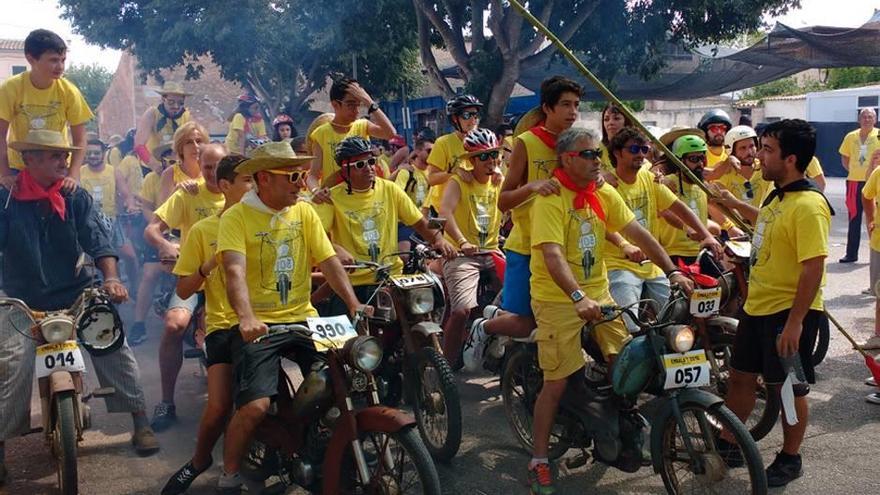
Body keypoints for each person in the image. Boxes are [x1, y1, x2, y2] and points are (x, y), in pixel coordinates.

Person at [526, 127, 693, 494]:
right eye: (588, 154)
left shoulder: (602, 191)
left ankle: (615, 423)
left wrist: (673, 270)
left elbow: (638, 232)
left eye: (598, 153)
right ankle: (539, 459)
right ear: (567, 159)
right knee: (555, 384)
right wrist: (576, 298)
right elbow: (552, 255)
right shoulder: (551, 198)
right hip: (558, 300)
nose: (596, 160)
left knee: (626, 363)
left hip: (599, 294)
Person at [0, 130, 160, 485]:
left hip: (77, 292)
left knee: (112, 344)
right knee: (10, 364)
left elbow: (98, 241)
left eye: (64, 155)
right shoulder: (5, 198)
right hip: (19, 299)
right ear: (30, 160)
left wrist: (112, 280)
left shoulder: (75, 197)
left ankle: (140, 420)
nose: (64, 162)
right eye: (54, 156)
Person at [214, 141, 367, 494]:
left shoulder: (305, 212)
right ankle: (230, 472)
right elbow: (234, 272)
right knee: (255, 405)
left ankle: (321, 443)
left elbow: (328, 261)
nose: (302, 183)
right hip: (260, 326)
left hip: (305, 318)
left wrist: (354, 303)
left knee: (346, 378)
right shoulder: (236, 217)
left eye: (302, 175)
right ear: (263, 178)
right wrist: (247, 317)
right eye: (294, 176)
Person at [713, 119, 831, 487]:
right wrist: (732, 204)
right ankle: (731, 443)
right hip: (757, 307)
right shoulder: (778, 196)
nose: (759, 156)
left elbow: (813, 268)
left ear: (791, 159)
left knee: (788, 388)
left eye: (767, 150)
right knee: (740, 377)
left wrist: (795, 322)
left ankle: (790, 457)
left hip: (787, 312)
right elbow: (765, 222)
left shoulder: (809, 206)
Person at [468, 76, 581, 368]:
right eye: (565, 105)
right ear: (547, 108)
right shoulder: (526, 143)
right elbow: (503, 200)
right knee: (524, 323)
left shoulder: (578, 144)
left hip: (566, 247)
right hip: (528, 246)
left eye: (576, 105)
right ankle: (485, 327)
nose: (573, 112)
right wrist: (532, 187)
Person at [161, 154, 253, 494]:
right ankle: (200, 460)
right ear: (226, 186)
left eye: (256, 180)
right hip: (225, 325)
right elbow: (183, 288)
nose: (255, 187)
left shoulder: (273, 220)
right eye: (247, 181)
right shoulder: (203, 230)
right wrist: (207, 266)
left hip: (270, 321)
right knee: (218, 406)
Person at [313, 136, 455, 316]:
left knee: (418, 321)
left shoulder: (390, 189)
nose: (369, 168)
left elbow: (419, 222)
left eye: (371, 161)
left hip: (392, 277)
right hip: (352, 282)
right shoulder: (330, 197)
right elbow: (317, 237)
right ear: (345, 170)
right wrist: (335, 248)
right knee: (351, 342)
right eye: (359, 165)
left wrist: (439, 240)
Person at [144, 143, 226, 431]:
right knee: (174, 325)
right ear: (199, 167)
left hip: (228, 279)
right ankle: (166, 400)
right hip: (193, 275)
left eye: (220, 166)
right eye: (208, 167)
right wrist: (166, 244)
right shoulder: (188, 193)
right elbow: (152, 228)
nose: (214, 173)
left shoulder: (241, 195)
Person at [605, 127, 720, 332]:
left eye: (644, 149)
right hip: (618, 265)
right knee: (630, 329)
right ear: (617, 153)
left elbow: (679, 208)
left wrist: (707, 235)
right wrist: (624, 245)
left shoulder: (650, 178)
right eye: (633, 149)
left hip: (652, 263)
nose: (640, 154)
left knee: (677, 319)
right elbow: (602, 225)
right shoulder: (607, 186)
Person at [439, 128, 503, 368]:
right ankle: (445, 366)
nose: (491, 161)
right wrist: (462, 242)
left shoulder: (499, 180)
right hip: (462, 255)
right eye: (484, 157)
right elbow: (445, 213)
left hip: (493, 251)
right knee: (462, 310)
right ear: (471, 161)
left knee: (520, 300)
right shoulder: (458, 181)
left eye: (494, 155)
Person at [0, 29, 92, 192]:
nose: (60, 66)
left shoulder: (69, 91)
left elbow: (80, 139)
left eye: (63, 60)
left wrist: (72, 174)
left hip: (57, 170)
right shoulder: (10, 88)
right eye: (53, 60)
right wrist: (4, 173)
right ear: (31, 59)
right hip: (19, 169)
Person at [306, 77, 395, 190]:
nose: (357, 110)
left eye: (359, 104)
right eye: (351, 105)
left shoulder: (363, 126)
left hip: (364, 194)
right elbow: (312, 176)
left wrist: (369, 101)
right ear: (335, 105)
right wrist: (316, 191)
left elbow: (390, 133)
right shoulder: (320, 134)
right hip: (336, 199)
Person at [80, 138, 139, 292]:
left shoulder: (113, 171)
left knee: (130, 256)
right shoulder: (80, 172)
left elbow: (126, 194)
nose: (92, 156)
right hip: (88, 222)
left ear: (104, 153)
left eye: (96, 153)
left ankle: (135, 287)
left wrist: (131, 205)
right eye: (89, 153)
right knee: (88, 262)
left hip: (112, 221)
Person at [656, 133, 717, 265]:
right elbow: (665, 212)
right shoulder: (667, 183)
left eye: (702, 158)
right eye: (694, 159)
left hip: (701, 249)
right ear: (679, 161)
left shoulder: (702, 185)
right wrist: (687, 229)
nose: (700, 164)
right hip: (674, 252)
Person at [426, 94, 484, 214]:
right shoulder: (443, 143)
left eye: (475, 115)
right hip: (446, 211)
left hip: (474, 210)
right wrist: (453, 173)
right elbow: (431, 179)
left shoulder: (484, 141)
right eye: (467, 115)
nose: (473, 120)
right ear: (454, 119)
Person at [838, 108, 879, 263]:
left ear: (875, 119)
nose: (867, 119)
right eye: (864, 117)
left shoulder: (879, 135)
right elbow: (845, 158)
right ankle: (851, 253)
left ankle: (875, 253)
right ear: (859, 119)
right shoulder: (851, 136)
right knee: (854, 217)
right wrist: (855, 171)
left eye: (870, 117)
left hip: (874, 181)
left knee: (874, 217)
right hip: (854, 182)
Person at [134, 81, 192, 168]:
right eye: (171, 102)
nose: (176, 106)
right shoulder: (152, 113)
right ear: (163, 99)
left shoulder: (186, 115)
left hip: (177, 166)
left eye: (180, 103)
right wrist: (156, 166)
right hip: (152, 166)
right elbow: (139, 145)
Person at [394, 137, 434, 251]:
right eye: (429, 151)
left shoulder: (433, 174)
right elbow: (397, 195)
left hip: (425, 221)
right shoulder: (406, 171)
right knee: (404, 254)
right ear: (417, 151)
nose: (432, 154)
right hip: (406, 222)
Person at [860, 164, 880, 363]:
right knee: (879, 292)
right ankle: (878, 336)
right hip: (879, 243)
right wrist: (870, 219)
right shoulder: (879, 172)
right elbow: (866, 196)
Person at [598, 103, 634, 171]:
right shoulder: (597, 149)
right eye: (606, 119)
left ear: (626, 122)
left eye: (616, 118)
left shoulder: (637, 147)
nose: (610, 123)